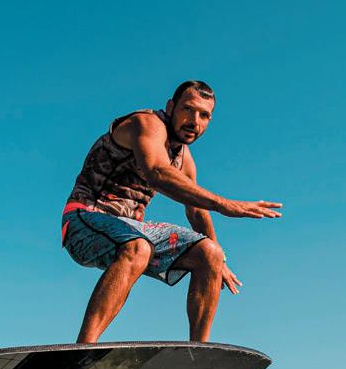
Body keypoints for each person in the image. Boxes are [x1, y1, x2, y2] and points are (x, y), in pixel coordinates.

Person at [61, 80, 282, 343]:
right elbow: (156, 172)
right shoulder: (146, 124)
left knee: (210, 253)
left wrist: (219, 262)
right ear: (170, 107)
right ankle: (84, 349)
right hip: (83, 219)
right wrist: (225, 204)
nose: (194, 121)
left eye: (204, 115)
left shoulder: (184, 159)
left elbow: (196, 212)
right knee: (138, 247)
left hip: (131, 231)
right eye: (188, 109)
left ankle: (198, 351)